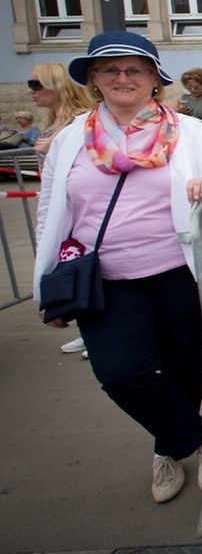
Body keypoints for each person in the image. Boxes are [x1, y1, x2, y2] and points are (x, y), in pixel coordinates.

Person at [33, 31, 202, 504]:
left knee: (184, 368)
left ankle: (167, 448)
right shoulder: (70, 139)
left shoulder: (191, 132)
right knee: (120, 372)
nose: (123, 78)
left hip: (185, 270)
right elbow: (50, 209)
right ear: (95, 80)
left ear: (154, 79)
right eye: (110, 70)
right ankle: (199, 440)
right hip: (106, 279)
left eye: (134, 69)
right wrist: (47, 283)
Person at [28, 62, 95, 355]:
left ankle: (92, 328)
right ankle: (86, 327)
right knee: (70, 265)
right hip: (59, 206)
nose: (32, 92)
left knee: (83, 267)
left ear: (57, 85)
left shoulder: (80, 122)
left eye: (36, 85)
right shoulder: (56, 120)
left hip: (82, 211)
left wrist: (50, 149)